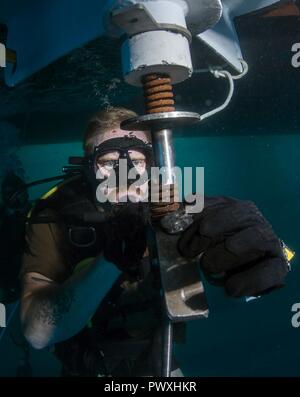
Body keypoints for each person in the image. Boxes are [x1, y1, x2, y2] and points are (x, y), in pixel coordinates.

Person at [19, 107, 290, 377]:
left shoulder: (164, 203)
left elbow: (229, 258)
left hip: (157, 360)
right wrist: (112, 260)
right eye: (109, 161)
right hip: (85, 366)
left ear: (152, 165)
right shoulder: (56, 215)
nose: (124, 175)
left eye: (136, 161)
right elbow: (37, 334)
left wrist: (264, 251)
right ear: (89, 166)